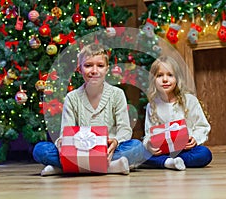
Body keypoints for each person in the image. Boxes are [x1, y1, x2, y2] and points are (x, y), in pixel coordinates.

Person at [33, 43, 145, 176]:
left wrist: (116, 141)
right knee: (40, 150)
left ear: (107, 69)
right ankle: (110, 167)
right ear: (80, 69)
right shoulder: (72, 97)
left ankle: (66, 168)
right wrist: (62, 143)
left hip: (107, 150)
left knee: (137, 147)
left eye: (100, 66)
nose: (94, 70)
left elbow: (125, 129)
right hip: (78, 150)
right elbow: (65, 131)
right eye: (88, 65)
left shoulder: (117, 94)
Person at [142, 55, 212, 171]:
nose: (165, 79)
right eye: (159, 75)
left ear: (177, 78)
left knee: (204, 153)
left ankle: (170, 162)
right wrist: (149, 144)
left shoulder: (189, 100)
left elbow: (202, 126)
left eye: (170, 75)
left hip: (186, 150)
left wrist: (195, 138)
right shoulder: (152, 105)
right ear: (153, 80)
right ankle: (169, 162)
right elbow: (149, 132)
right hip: (163, 151)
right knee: (139, 152)